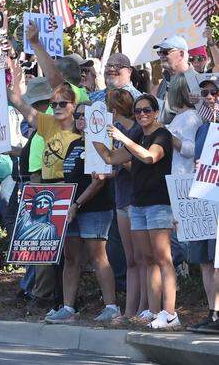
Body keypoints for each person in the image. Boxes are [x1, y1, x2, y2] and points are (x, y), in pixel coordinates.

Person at [94, 94, 178, 329]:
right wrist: (94, 136)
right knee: (146, 259)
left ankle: (170, 313)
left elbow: (150, 156)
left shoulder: (162, 134)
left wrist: (123, 138)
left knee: (163, 258)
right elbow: (111, 157)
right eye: (138, 111)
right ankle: (152, 311)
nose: (142, 114)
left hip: (159, 202)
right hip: (137, 203)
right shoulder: (138, 134)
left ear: (155, 111)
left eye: (147, 110)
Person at [42, 101, 120, 324]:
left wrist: (76, 205)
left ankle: (111, 307)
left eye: (86, 115)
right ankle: (68, 308)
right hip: (71, 208)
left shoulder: (101, 143)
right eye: (77, 115)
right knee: (71, 258)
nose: (80, 119)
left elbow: (98, 182)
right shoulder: (74, 143)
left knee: (98, 257)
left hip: (94, 208)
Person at [106, 87, 147, 321]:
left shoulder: (136, 130)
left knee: (143, 258)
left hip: (137, 198)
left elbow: (141, 166)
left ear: (113, 109)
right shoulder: (113, 130)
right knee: (130, 259)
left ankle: (144, 308)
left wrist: (119, 157)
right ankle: (130, 311)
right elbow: (111, 164)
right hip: (121, 196)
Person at [186, 78, 219, 334]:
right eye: (205, 92)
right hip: (203, 200)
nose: (209, 97)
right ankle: (213, 312)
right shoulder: (202, 130)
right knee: (206, 261)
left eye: (215, 92)